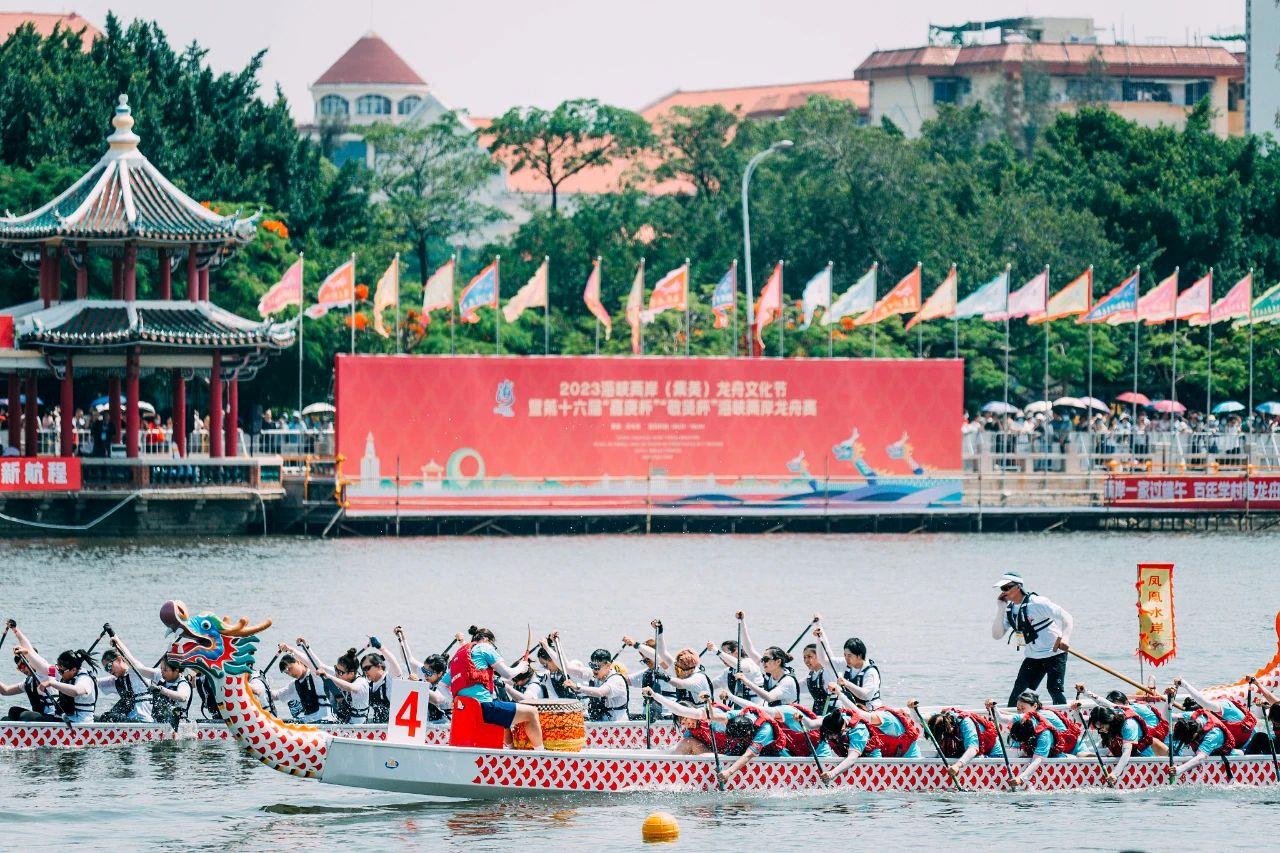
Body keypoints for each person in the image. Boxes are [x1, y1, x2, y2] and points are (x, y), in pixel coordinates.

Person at [444, 626, 543, 749]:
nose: (493, 648)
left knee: (503, 713)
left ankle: (511, 750)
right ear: (486, 639)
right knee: (532, 712)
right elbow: (507, 674)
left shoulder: (460, 656)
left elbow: (442, 685)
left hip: (465, 711)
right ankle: (541, 754)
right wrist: (521, 667)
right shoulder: (484, 647)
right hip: (484, 708)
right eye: (493, 646)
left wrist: (453, 702)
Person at [992, 572, 1073, 706]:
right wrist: (1000, 608)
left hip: (1055, 653)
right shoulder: (1009, 611)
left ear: (1018, 587)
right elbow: (997, 635)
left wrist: (1065, 638)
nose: (1004, 591)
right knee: (1018, 692)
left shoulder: (1037, 602)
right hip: (1033, 656)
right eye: (1002, 589)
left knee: (1054, 689)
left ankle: (1064, 716)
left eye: (1006, 588)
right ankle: (1013, 717)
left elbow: (1067, 617)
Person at [817, 698, 921, 783]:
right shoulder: (835, 719)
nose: (831, 737)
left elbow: (852, 757)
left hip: (905, 755)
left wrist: (832, 773)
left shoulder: (863, 728)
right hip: (883, 755)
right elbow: (813, 724)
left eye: (833, 735)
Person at [1167, 678, 1255, 778]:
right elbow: (1167, 717)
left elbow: (1200, 758)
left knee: (1238, 753)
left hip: (1246, 746)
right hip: (1228, 742)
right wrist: (1170, 699)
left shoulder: (1216, 727)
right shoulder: (1196, 716)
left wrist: (1179, 769)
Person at [993, 695, 1082, 787]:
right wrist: (993, 708)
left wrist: (1021, 778)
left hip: (1066, 750)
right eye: (1018, 708)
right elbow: (1001, 718)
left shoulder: (1044, 734)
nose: (1020, 711)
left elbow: (1037, 760)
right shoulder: (1023, 717)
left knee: (1080, 755)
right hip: (1044, 748)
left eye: (1023, 708)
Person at [111, 638, 192, 727]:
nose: (162, 672)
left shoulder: (183, 684)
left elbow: (182, 697)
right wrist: (118, 643)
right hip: (158, 726)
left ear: (177, 670)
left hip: (179, 728)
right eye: (161, 668)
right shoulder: (160, 676)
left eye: (165, 670)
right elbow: (135, 665)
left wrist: (161, 689)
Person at [1076, 682, 1169, 756]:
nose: (1112, 710)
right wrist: (1084, 693)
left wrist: (1085, 692)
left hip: (1151, 737)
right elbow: (1100, 706)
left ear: (1126, 702)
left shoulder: (1132, 711)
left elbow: (1104, 703)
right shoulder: (1117, 713)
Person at [1081, 701, 1155, 785]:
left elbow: (1126, 752)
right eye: (1098, 729)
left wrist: (1114, 774)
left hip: (1142, 762)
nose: (1101, 731)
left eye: (1102, 727)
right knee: (1081, 754)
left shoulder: (1129, 725)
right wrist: (1077, 710)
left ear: (1109, 719)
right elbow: (1082, 719)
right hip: (1120, 757)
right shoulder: (1109, 719)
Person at [735, 613, 801, 706]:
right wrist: (742, 621)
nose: (763, 662)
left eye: (766, 659)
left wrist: (745, 681)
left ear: (778, 662)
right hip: (775, 712)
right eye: (763, 659)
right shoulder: (769, 672)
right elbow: (749, 649)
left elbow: (769, 697)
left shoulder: (787, 681)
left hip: (789, 714)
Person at [924, 703, 1004, 778]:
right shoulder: (939, 717)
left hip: (993, 757)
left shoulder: (966, 723)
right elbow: (921, 718)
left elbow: (973, 749)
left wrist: (957, 766)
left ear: (948, 729)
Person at [814, 626, 881, 709]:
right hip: (853, 709)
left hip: (870, 710)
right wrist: (819, 638)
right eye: (845, 655)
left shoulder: (870, 672)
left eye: (849, 655)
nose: (846, 658)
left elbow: (866, 696)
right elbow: (823, 661)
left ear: (859, 656)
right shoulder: (846, 663)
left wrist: (846, 683)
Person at [564, 647, 631, 723]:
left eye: (597, 667)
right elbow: (568, 668)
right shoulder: (595, 674)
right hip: (600, 723)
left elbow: (600, 692)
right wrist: (556, 644)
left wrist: (577, 687)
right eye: (592, 666)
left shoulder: (616, 680)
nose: (594, 670)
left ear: (608, 665)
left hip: (617, 725)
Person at [273, 642, 333, 723]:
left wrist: (290, 649)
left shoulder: (316, 675)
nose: (290, 674)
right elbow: (276, 695)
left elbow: (313, 662)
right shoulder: (294, 684)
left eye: (290, 669)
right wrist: (259, 688)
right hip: (308, 721)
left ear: (298, 661)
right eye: (287, 673)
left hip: (325, 720)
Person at [96, 641, 154, 723]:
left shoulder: (136, 671)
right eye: (106, 669)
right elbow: (95, 681)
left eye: (109, 666)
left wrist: (116, 640)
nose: (109, 671)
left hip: (144, 721)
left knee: (109, 717)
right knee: (101, 717)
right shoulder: (117, 681)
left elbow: (128, 657)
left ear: (119, 659)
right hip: (131, 721)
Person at [0, 647, 59, 721]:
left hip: (53, 717)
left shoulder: (46, 674)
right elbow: (5, 691)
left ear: (31, 661)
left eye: (22, 666)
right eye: (19, 668)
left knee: (26, 715)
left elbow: (41, 662)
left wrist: (28, 654)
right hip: (40, 717)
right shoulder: (28, 682)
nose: (22, 670)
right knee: (13, 711)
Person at [41, 649, 99, 723]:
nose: (59, 673)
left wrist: (52, 683)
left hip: (80, 724)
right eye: (58, 669)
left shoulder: (85, 679)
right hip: (68, 719)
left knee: (31, 717)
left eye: (61, 671)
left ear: (74, 670)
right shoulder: (72, 674)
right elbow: (49, 668)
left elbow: (76, 691)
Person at [316, 648, 370, 724]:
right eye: (336, 669)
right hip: (347, 723)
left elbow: (351, 687)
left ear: (351, 674)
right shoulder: (341, 673)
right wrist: (306, 647)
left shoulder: (361, 682)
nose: (337, 674)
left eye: (340, 672)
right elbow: (319, 665)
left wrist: (328, 676)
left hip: (360, 726)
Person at [1244, 676, 1280, 755]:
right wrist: (1256, 683)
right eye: (1275, 723)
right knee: (1259, 736)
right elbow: (1269, 696)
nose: (1276, 725)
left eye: (1278, 724)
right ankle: (1247, 759)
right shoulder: (1277, 706)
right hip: (1277, 742)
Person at [801, 643, 832, 715]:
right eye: (804, 657)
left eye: (809, 656)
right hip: (817, 714)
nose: (806, 660)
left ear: (819, 656)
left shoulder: (828, 673)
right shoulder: (810, 676)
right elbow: (794, 686)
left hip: (833, 714)